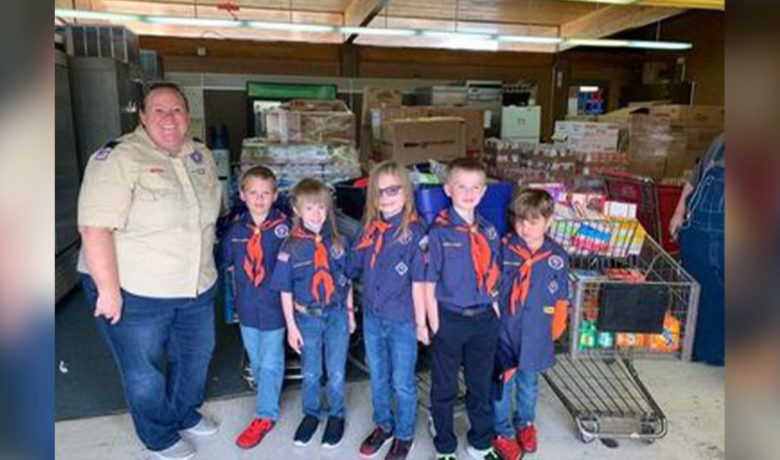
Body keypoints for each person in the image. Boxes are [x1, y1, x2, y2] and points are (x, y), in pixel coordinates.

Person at [77, 82, 221, 460]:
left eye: (176, 110)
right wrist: (108, 292)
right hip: (135, 289)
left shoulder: (200, 156)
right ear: (142, 116)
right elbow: (94, 229)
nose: (168, 119)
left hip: (195, 286)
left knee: (196, 355)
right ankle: (157, 435)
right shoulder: (119, 158)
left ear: (187, 116)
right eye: (158, 110)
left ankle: (183, 412)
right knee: (144, 369)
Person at [349, 161, 429, 460]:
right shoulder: (368, 229)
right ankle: (383, 424)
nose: (386, 197)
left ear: (406, 192)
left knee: (403, 381)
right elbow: (350, 265)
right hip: (372, 317)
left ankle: (405, 434)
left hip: (402, 321)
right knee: (378, 375)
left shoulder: (416, 233)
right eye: (379, 191)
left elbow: (420, 282)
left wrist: (422, 324)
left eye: (393, 189)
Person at [269, 178, 356, 449]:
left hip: (337, 314)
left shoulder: (340, 242)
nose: (316, 214)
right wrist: (292, 327)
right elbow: (285, 290)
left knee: (337, 371)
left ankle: (336, 414)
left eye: (321, 207)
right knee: (311, 372)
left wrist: (351, 313)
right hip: (307, 317)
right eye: (309, 208)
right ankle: (311, 413)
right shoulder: (290, 247)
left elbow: (347, 280)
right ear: (297, 210)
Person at [425, 158, 502, 460]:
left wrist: (495, 308)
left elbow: (493, 273)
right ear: (448, 189)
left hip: (484, 319)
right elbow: (429, 281)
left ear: (483, 192)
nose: (468, 193)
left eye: (475, 188)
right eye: (462, 187)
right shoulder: (439, 232)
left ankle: (480, 442)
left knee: (480, 385)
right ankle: (444, 444)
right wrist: (434, 323)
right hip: (450, 319)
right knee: (443, 386)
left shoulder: (489, 231)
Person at [490, 189, 570, 460]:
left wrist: (556, 329)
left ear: (549, 221)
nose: (524, 227)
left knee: (529, 383)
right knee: (503, 384)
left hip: (536, 333)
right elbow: (491, 286)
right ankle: (502, 431)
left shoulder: (557, 257)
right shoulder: (503, 248)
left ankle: (525, 423)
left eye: (533, 221)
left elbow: (561, 298)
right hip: (504, 331)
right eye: (520, 220)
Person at [218, 166, 292, 449]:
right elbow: (224, 261)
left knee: (271, 360)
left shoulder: (285, 229)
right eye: (253, 193)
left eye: (265, 193)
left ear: (275, 195)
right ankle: (267, 396)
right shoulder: (236, 230)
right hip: (247, 307)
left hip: (274, 308)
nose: (259, 199)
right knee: (257, 359)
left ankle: (265, 414)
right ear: (242, 195)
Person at [669, 133, 725, 366]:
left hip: (712, 234)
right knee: (701, 292)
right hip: (700, 234)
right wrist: (679, 212)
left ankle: (711, 351)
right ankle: (702, 348)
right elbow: (695, 178)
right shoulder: (721, 141)